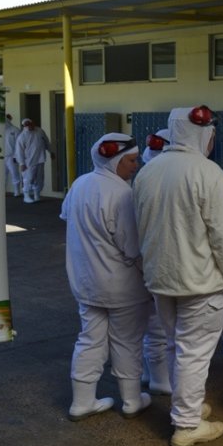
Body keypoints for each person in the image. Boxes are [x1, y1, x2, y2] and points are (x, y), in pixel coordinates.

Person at [133, 105, 223, 446]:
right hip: (200, 282)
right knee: (194, 353)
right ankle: (187, 424)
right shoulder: (208, 173)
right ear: (201, 133)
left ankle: (186, 407)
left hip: (161, 279)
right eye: (210, 132)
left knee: (176, 346)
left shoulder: (148, 172)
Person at [60, 133, 151, 422]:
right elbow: (132, 247)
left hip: (85, 282)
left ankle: (82, 402)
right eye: (131, 160)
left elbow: (66, 217)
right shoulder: (123, 193)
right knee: (127, 341)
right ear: (115, 161)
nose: (136, 165)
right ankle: (132, 400)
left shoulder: (79, 184)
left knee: (89, 339)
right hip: (122, 287)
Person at [139, 127, 172, 396]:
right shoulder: (162, 181)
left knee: (148, 325)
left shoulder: (144, 177)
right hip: (155, 262)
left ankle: (149, 373)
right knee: (158, 326)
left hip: (143, 263)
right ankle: (160, 378)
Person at [14, 118, 54, 203]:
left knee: (39, 178)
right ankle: (26, 196)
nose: (29, 126)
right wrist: (21, 163)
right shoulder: (22, 137)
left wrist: (51, 151)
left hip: (40, 159)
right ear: (24, 126)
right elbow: (19, 151)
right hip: (28, 162)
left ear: (32, 123)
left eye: (29, 124)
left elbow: (46, 141)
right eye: (26, 125)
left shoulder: (40, 131)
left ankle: (37, 195)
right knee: (28, 178)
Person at [3, 114, 22, 197]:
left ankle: (17, 191)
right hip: (2, 157)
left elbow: (19, 145)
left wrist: (15, 156)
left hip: (11, 156)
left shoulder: (15, 130)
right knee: (2, 176)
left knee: (15, 173)